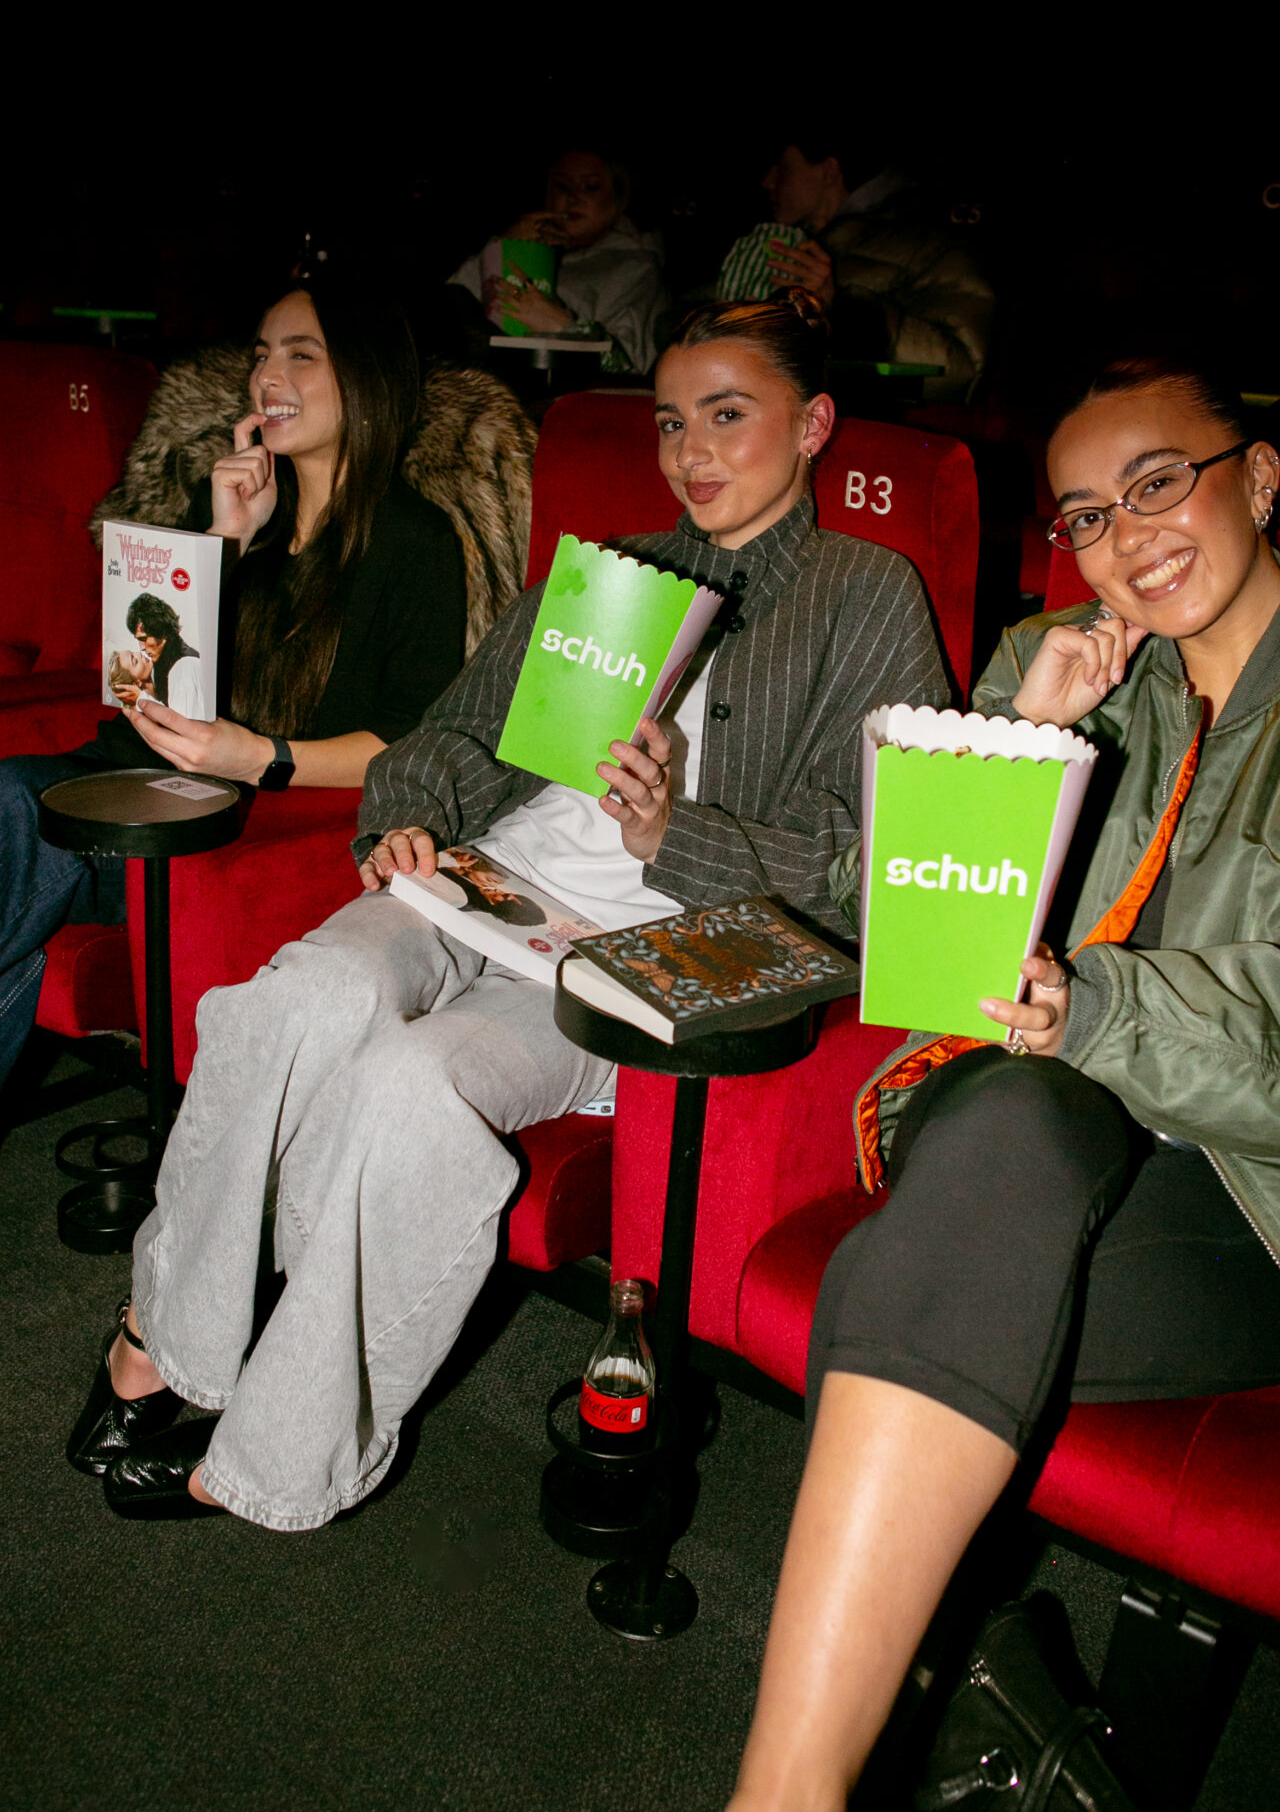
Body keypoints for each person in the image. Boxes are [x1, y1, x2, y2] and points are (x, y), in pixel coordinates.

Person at [69, 291, 950, 1530]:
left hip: (626, 957)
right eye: (666, 422)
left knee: (411, 1087)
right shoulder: (621, 576)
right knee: (291, 1001)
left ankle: (283, 1450)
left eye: (725, 416)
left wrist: (673, 834)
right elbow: (457, 732)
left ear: (812, 425)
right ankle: (167, 1338)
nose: (688, 451)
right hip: (481, 883)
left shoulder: (866, 599)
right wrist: (407, 820)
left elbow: (870, 860)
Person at [728, 356, 1280, 1812]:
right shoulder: (1071, 666)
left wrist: (1088, 1004)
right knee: (995, 1168)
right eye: (1088, 516)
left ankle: (908, 1719)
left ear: (1263, 477)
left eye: (1160, 484)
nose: (1127, 539)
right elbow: (896, 933)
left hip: (1250, 1201)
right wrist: (1030, 737)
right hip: (1029, 1138)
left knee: (894, 1291)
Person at [0, 281, 467, 1093]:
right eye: (260, 355)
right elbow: (137, 683)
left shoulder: (415, 541)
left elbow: (406, 743)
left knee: (10, 801)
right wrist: (222, 539)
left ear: (367, 379)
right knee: (13, 801)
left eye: (300, 354)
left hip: (222, 814)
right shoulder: (237, 507)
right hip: (126, 781)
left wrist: (259, 757)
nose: (267, 377)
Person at [723, 133, 994, 402]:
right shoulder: (772, 245)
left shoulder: (933, 238)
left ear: (828, 171)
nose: (767, 181)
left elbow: (961, 373)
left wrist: (837, 307)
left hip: (883, 430)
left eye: (782, 166)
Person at [448, 148, 669, 375]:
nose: (573, 198)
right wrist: (504, 246)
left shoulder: (637, 266)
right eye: (562, 186)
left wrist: (562, 326)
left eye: (590, 187)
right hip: (491, 383)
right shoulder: (531, 253)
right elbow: (450, 304)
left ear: (618, 197)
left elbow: (629, 368)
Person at [120, 594, 206, 717]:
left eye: (144, 638)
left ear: (162, 632)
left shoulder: (186, 667)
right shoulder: (159, 664)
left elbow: (183, 729)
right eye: (139, 640)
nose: (142, 647)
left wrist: (141, 700)